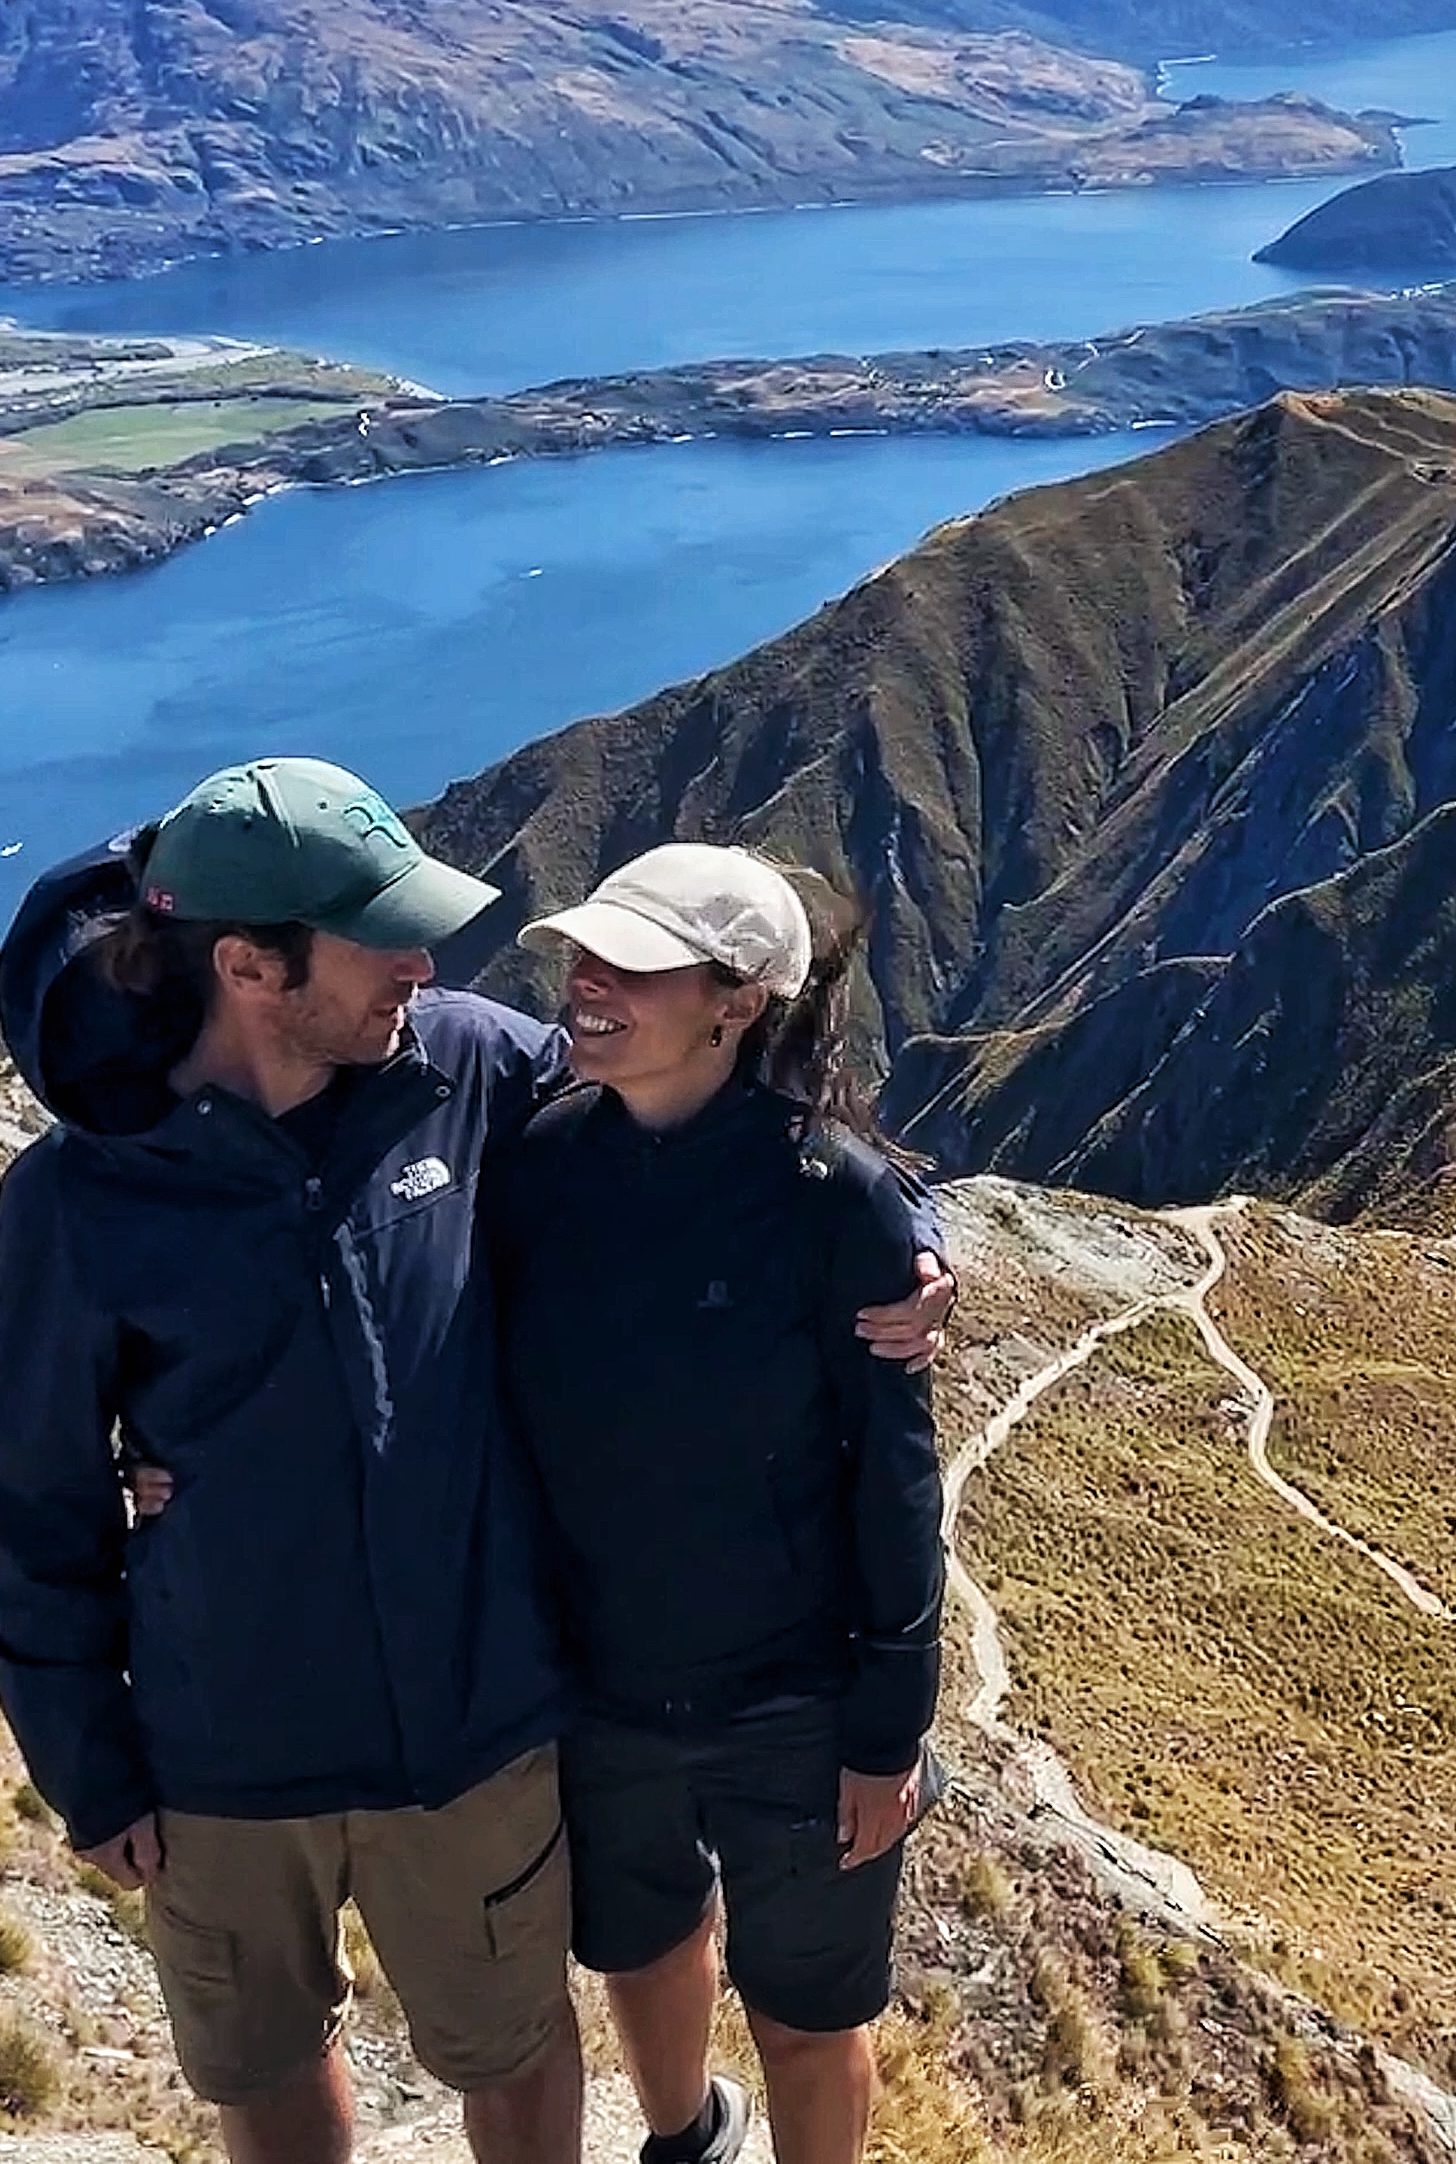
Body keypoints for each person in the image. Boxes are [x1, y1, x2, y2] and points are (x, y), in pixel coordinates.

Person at [0, 763, 948, 2164]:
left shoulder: (464, 1068)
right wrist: (89, 1764)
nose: (424, 967)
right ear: (250, 967)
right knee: (267, 2068)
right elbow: (30, 1497)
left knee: (514, 2044)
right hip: (223, 1741)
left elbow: (706, 1113)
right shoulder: (77, 1197)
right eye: (383, 939)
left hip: (473, 1731)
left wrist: (908, 1239)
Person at [491, 846, 946, 2164]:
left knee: (809, 2012)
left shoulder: (833, 1201)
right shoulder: (539, 1167)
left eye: (632, 967)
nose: (587, 982)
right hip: (601, 1688)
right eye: (586, 955)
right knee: (639, 1946)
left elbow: (894, 1472)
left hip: (797, 1705)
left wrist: (889, 1730)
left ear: (736, 1004)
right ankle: (686, 2140)